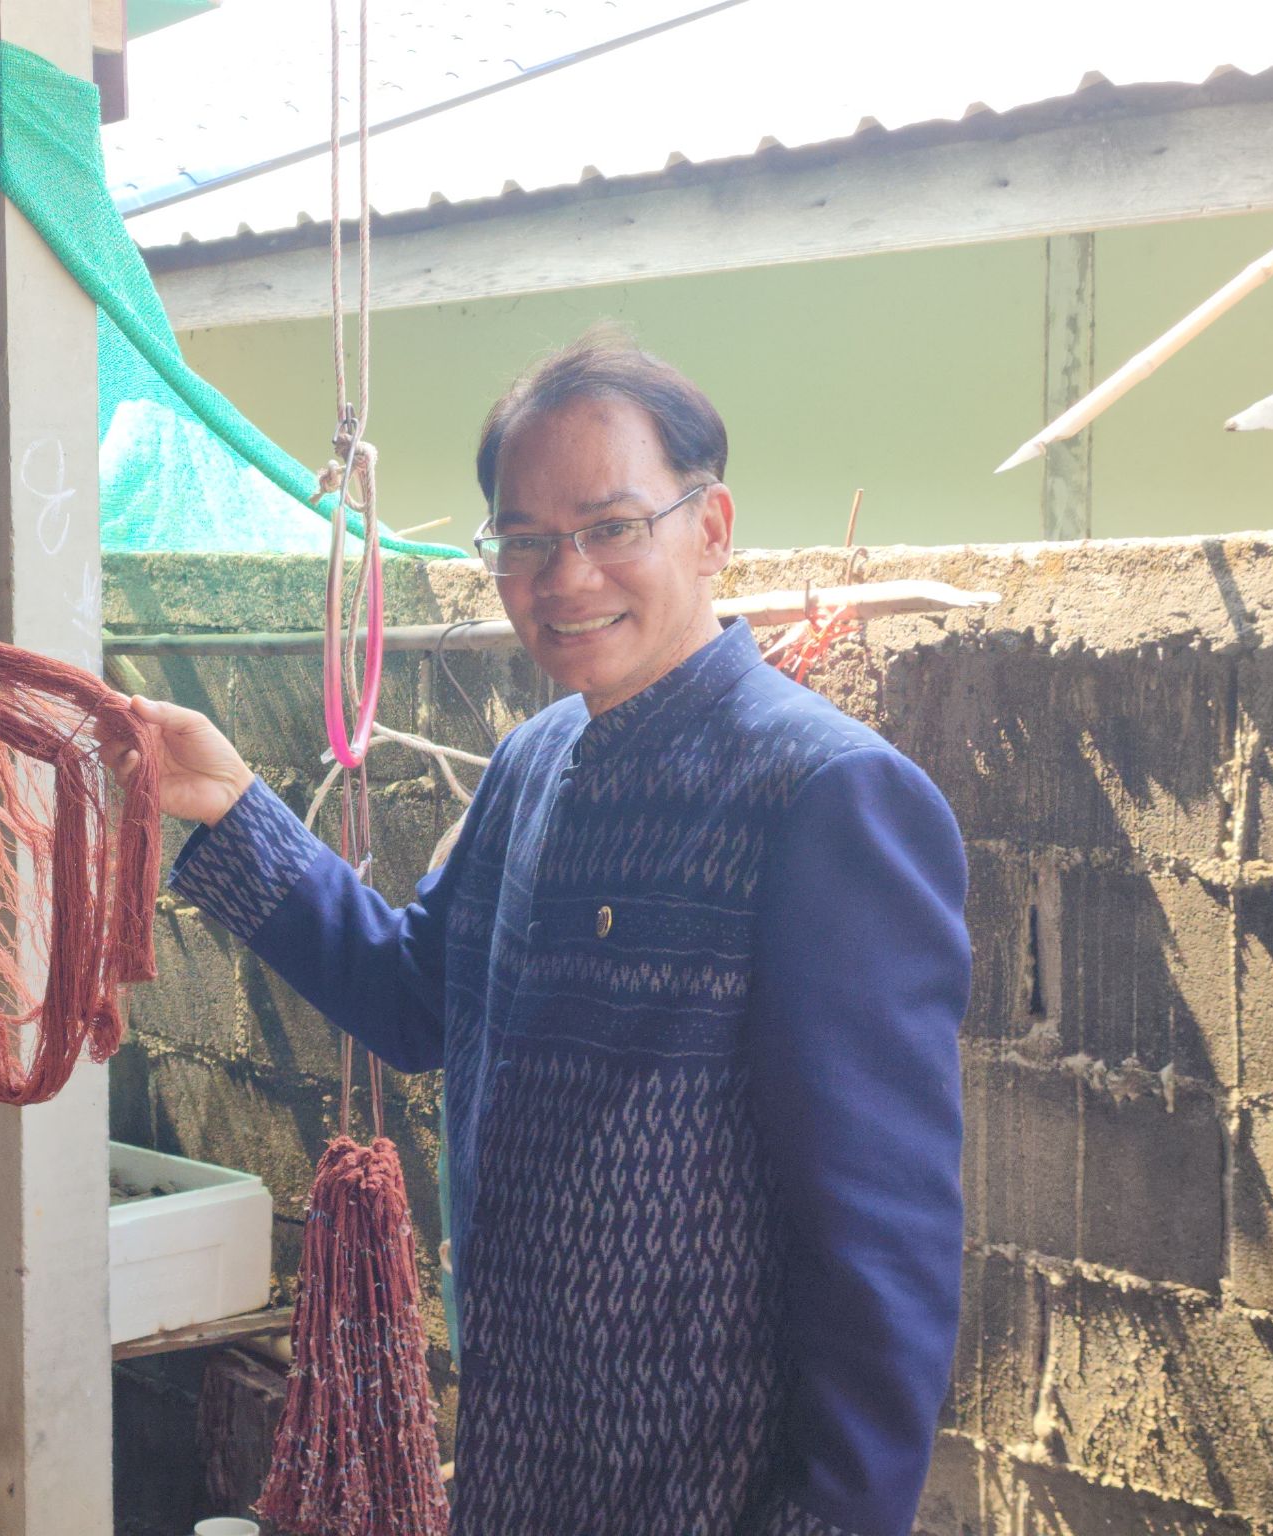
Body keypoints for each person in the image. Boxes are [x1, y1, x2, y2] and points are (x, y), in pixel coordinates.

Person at [125, 334, 969, 1536]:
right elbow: (418, 1000)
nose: (564, 577)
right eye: (522, 540)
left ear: (711, 528)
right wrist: (229, 806)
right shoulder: (535, 758)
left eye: (610, 526)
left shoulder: (822, 793)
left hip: (707, 1496)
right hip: (520, 1469)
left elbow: (883, 1247)